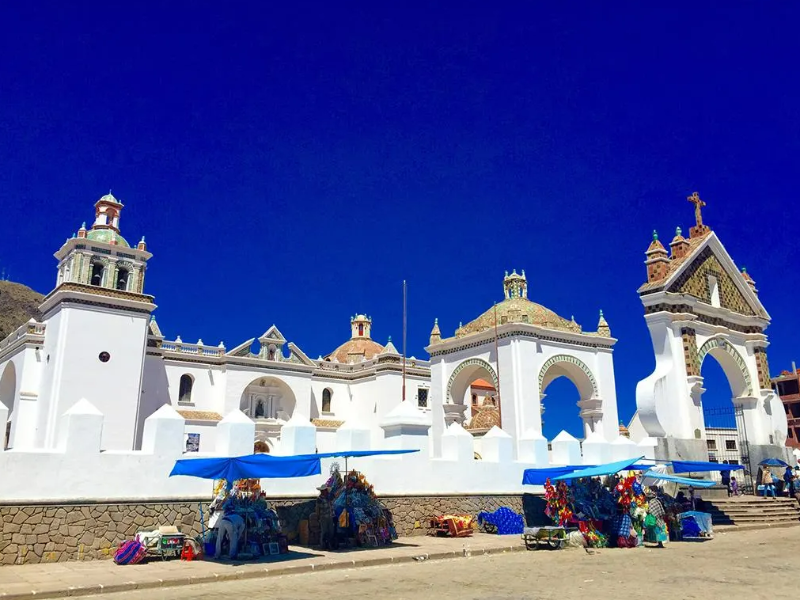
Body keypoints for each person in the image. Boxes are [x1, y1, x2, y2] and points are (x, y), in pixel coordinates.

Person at [316, 484, 336, 550]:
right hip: (323, 517)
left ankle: (330, 544)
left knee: (331, 531)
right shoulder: (319, 499)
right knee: (324, 531)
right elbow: (317, 509)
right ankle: (322, 545)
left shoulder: (328, 498)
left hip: (330, 516)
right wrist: (318, 517)